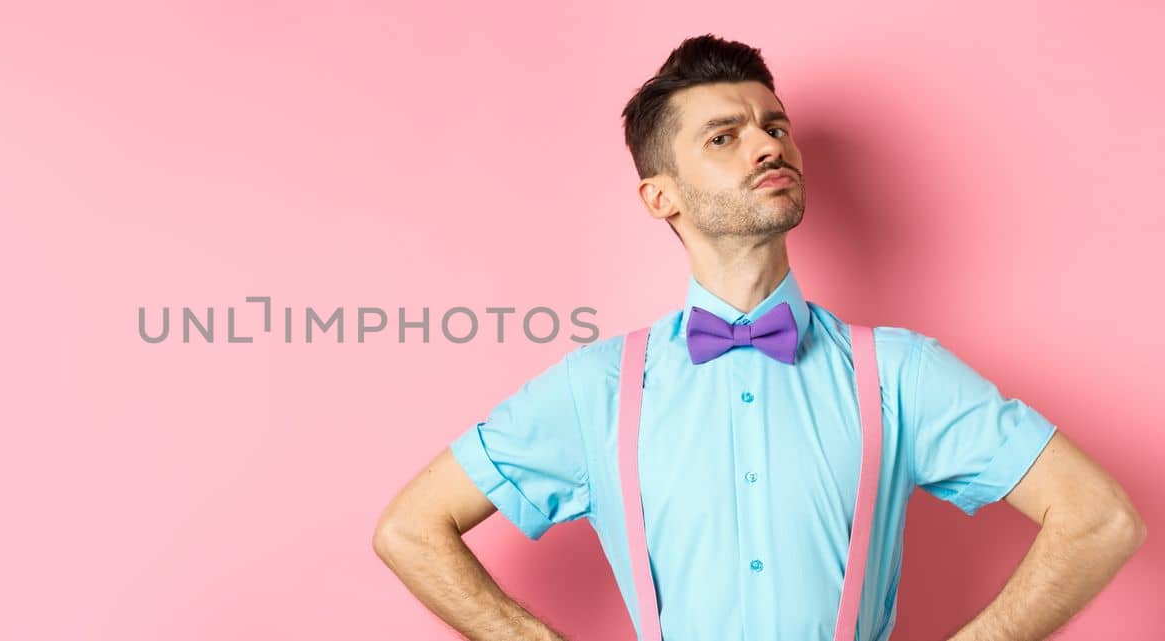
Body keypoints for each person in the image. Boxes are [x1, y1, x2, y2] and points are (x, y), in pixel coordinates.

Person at [372, 34, 1146, 641]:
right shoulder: (598, 387)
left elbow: (1100, 518)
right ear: (660, 196)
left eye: (774, 125)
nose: (768, 144)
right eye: (724, 136)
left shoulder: (899, 374)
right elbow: (409, 529)